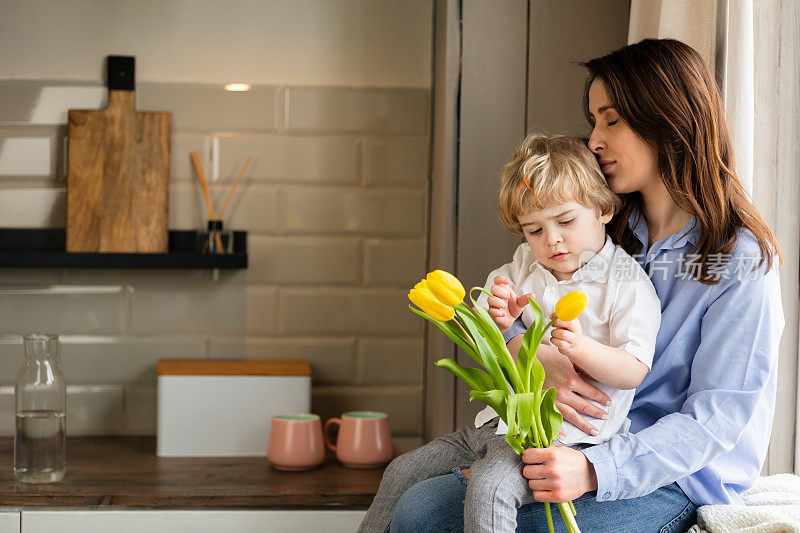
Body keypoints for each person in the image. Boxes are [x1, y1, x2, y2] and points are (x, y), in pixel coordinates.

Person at [388, 39, 784, 533]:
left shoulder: (738, 259)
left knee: (429, 515)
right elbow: (518, 311)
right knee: (413, 500)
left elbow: (718, 417)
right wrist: (526, 352)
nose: (593, 140)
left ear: (667, 119)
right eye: (594, 121)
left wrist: (597, 470)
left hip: (672, 477)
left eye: (610, 120)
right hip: (573, 440)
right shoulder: (601, 230)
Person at [358, 134, 662, 533]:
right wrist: (502, 319)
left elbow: (634, 369)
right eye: (533, 230)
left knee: (490, 487)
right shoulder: (523, 266)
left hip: (560, 440)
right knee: (402, 470)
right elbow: (487, 323)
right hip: (497, 425)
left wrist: (580, 348)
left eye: (565, 221)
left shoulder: (626, 283)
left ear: (603, 209)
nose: (551, 239)